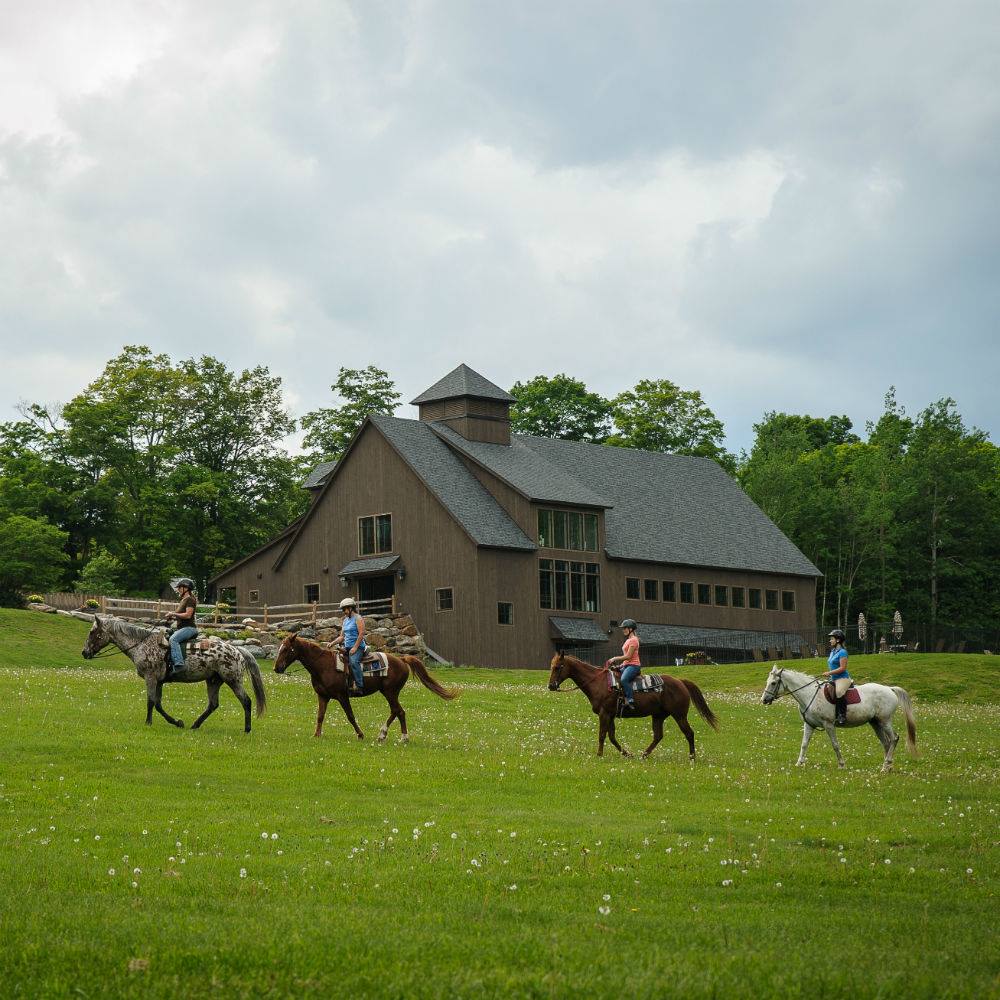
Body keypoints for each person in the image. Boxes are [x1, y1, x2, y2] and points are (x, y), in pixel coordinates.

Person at [165, 578, 198, 676]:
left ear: (186, 588)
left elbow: (188, 615)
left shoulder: (190, 600)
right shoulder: (183, 600)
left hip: (189, 628)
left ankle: (179, 665)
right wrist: (172, 617)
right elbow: (180, 616)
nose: (178, 589)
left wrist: (173, 613)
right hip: (182, 628)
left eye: (179, 587)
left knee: (173, 639)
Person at [333, 597, 366, 693]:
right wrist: (332, 643)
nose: (344, 611)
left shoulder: (358, 618)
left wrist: (355, 647)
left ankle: (360, 686)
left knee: (354, 662)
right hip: (347, 647)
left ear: (351, 608)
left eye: (345, 609)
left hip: (358, 647)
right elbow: (341, 637)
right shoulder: (345, 620)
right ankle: (346, 684)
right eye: (343, 609)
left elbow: (361, 634)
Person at [608, 619, 641, 708]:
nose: (623, 630)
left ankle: (630, 700)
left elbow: (628, 656)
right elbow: (626, 659)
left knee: (624, 679)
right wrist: (620, 666)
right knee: (613, 675)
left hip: (634, 666)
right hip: (626, 665)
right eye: (622, 628)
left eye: (625, 628)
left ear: (631, 629)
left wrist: (615, 658)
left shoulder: (634, 640)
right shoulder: (627, 640)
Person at [824, 628, 851, 725]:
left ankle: (842, 715)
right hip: (834, 679)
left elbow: (843, 668)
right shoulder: (832, 652)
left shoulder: (843, 652)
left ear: (838, 640)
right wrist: (830, 675)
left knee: (839, 692)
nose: (830, 640)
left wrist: (829, 673)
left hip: (843, 678)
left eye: (832, 639)